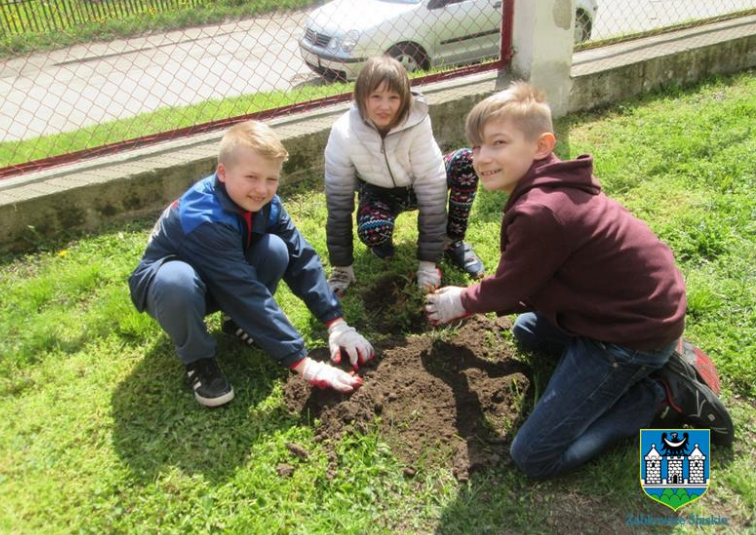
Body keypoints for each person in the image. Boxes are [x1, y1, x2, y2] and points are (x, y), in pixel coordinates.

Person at [425, 82, 734, 479]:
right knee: (527, 331)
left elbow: (512, 286)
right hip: (632, 310)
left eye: (498, 143)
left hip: (627, 337)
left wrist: (462, 300)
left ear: (541, 145)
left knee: (533, 456)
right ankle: (652, 360)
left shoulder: (543, 212)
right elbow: (531, 282)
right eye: (477, 146)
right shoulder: (553, 182)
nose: (482, 157)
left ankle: (660, 396)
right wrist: (478, 298)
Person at [128, 121, 373, 407]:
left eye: (271, 179)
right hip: (169, 288)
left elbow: (300, 257)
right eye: (251, 177)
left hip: (220, 274)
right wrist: (304, 364)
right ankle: (198, 358)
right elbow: (243, 291)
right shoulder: (204, 218)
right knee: (177, 281)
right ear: (222, 173)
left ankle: (236, 323)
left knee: (276, 249)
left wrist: (336, 322)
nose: (262, 189)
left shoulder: (268, 204)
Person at [324, 56, 485, 296]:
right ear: (361, 96)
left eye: (393, 98)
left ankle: (451, 241)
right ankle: (382, 242)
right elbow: (338, 202)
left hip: (419, 184)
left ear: (405, 98)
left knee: (465, 162)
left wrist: (428, 265)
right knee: (373, 230)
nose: (384, 107)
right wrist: (341, 268)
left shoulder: (418, 122)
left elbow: (431, 190)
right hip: (380, 192)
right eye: (375, 97)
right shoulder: (343, 132)